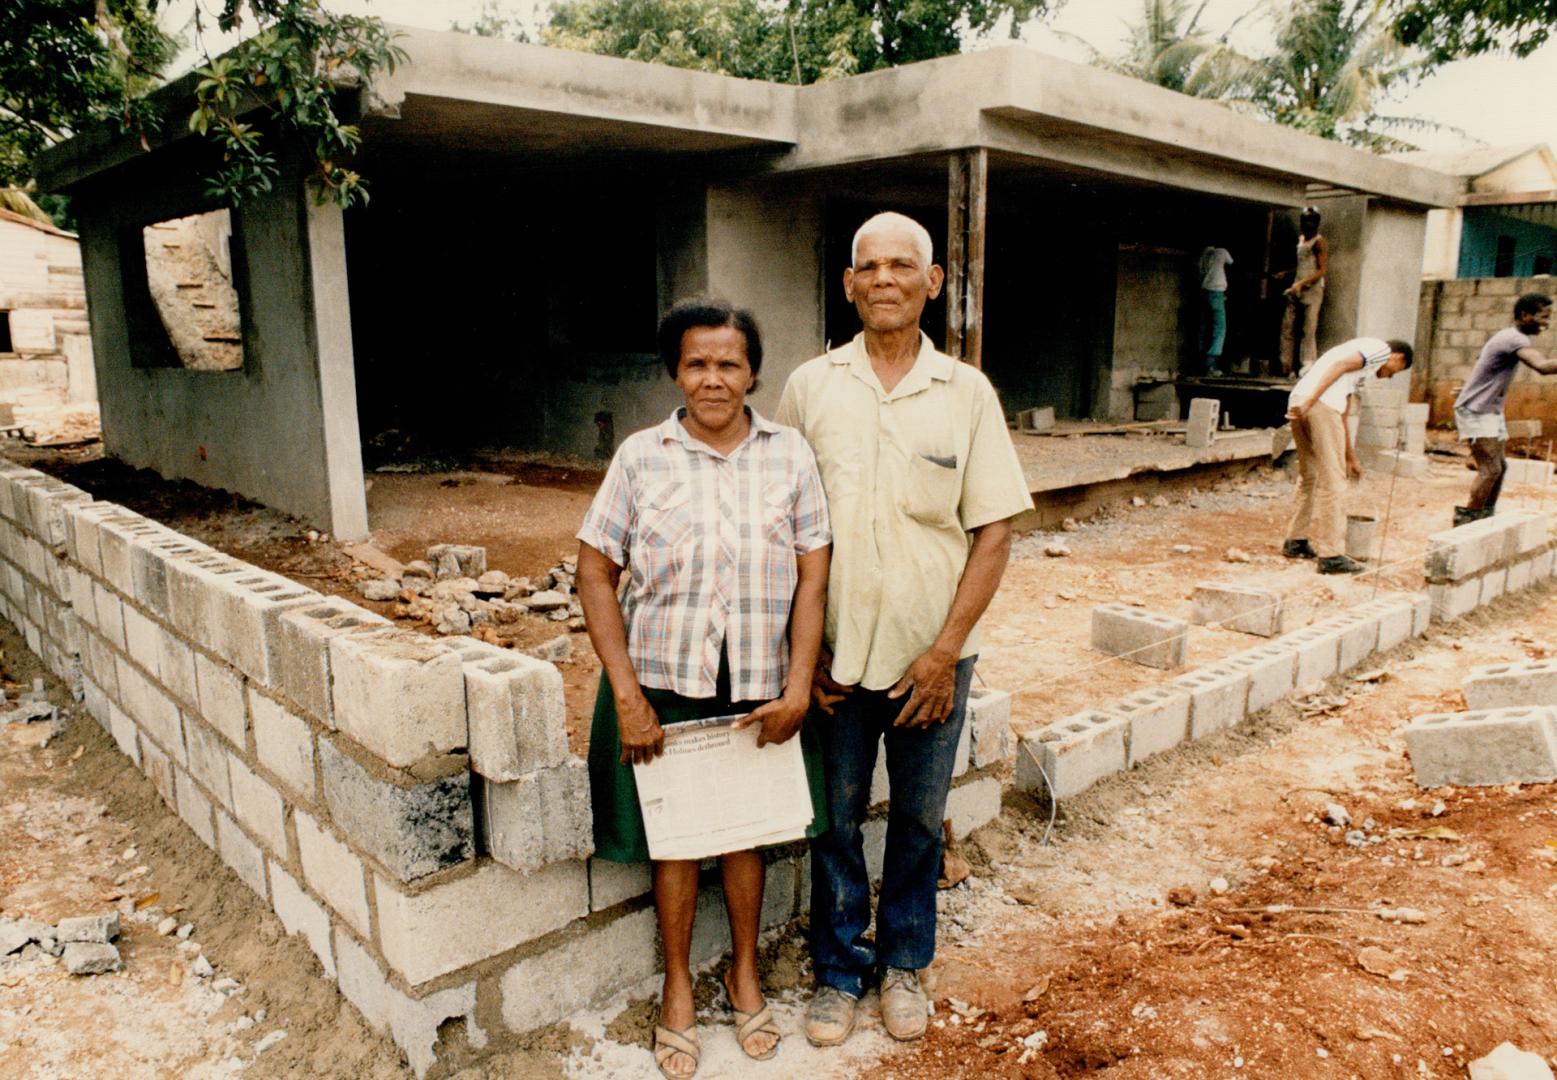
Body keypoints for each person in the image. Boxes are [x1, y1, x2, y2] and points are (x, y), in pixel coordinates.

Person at [775, 212, 1033, 1048]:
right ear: (847, 284)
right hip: (835, 659)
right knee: (834, 822)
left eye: (902, 265)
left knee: (919, 821)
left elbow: (992, 530)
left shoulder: (965, 393)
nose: (884, 279)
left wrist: (944, 652)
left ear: (932, 284)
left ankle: (903, 965)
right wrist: (799, 652)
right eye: (868, 266)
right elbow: (780, 527)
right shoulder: (810, 388)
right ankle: (839, 971)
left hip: (932, 659)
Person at [576, 298, 832, 1079]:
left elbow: (812, 577)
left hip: (756, 682)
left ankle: (743, 972)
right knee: (678, 843)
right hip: (666, 680)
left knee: (744, 834)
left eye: (728, 363)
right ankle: (679, 986)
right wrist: (627, 694)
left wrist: (795, 685)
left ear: (753, 371)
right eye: (696, 363)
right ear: (675, 372)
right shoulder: (639, 457)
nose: (712, 379)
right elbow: (595, 573)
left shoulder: (789, 455)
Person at [1282, 336, 1413, 574]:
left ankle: (1295, 540)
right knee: (1333, 482)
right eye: (1397, 370)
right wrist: (1312, 401)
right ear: (1398, 357)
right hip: (1316, 404)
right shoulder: (1380, 350)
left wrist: (1350, 457)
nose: (1391, 375)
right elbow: (1339, 366)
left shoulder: (1358, 372)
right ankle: (1331, 555)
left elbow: (1342, 416)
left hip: (1299, 399)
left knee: (1309, 475)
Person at [1452, 293, 1557, 525]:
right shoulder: (1513, 338)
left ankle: (1485, 516)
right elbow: (1541, 366)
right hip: (1477, 410)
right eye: (1543, 317)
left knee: (1499, 467)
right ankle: (1466, 521)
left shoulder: (1509, 336)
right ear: (1524, 315)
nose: (1546, 323)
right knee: (1490, 469)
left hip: (1488, 409)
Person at [1277, 208, 1328, 376]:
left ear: (1316, 224)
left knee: (1308, 328)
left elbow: (1321, 271)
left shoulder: (1318, 242)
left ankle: (1307, 365)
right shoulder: (1301, 240)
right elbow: (1303, 266)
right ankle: (1286, 366)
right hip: (1296, 287)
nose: (1306, 225)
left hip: (1312, 290)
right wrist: (1288, 273)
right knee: (1288, 327)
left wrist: (1301, 283)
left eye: (1311, 221)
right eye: (1304, 221)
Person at [1198, 243, 1234, 376]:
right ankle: (1211, 365)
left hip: (1204, 291)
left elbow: (1200, 271)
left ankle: (1201, 362)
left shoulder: (1205, 253)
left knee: (1204, 326)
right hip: (1217, 291)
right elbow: (1232, 263)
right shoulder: (1222, 251)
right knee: (1220, 328)